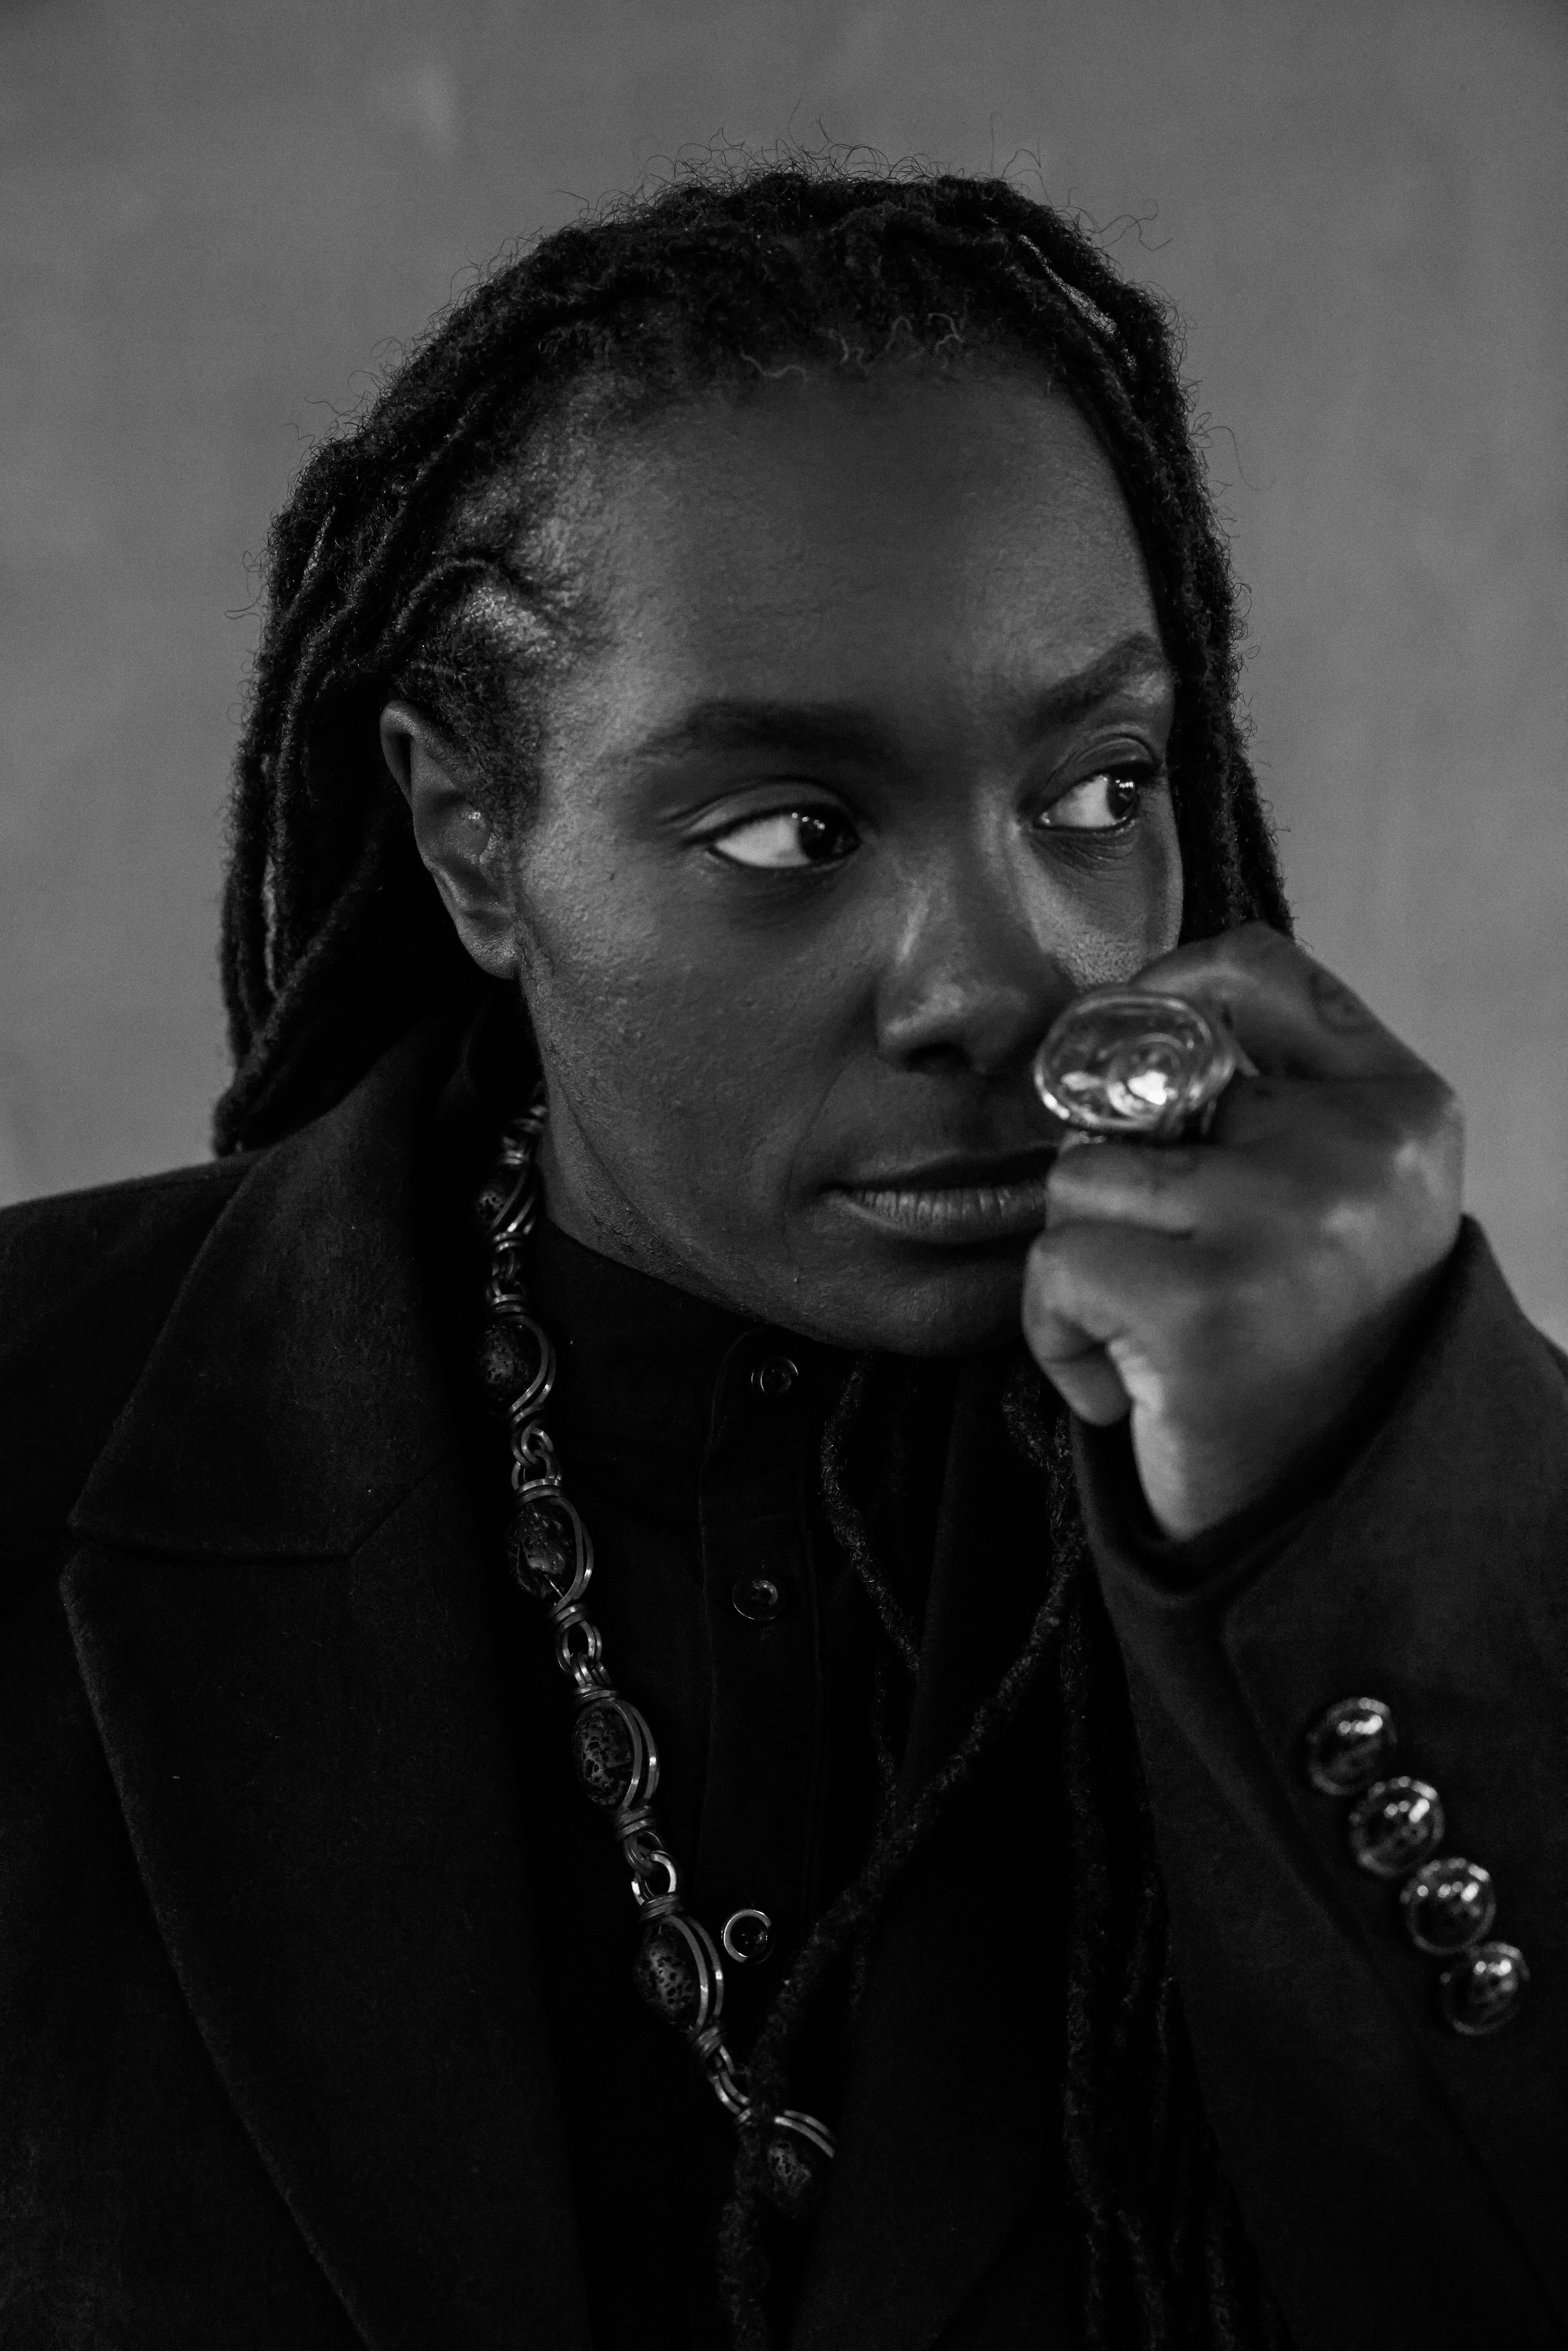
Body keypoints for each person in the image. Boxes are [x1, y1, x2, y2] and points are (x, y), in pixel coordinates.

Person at [1, 159, 1563, 2351]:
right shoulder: (46, 1422)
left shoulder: (1433, 1486)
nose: (1000, 982)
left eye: (1097, 789)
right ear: (473, 842)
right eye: (789, 834)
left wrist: (1346, 1516)